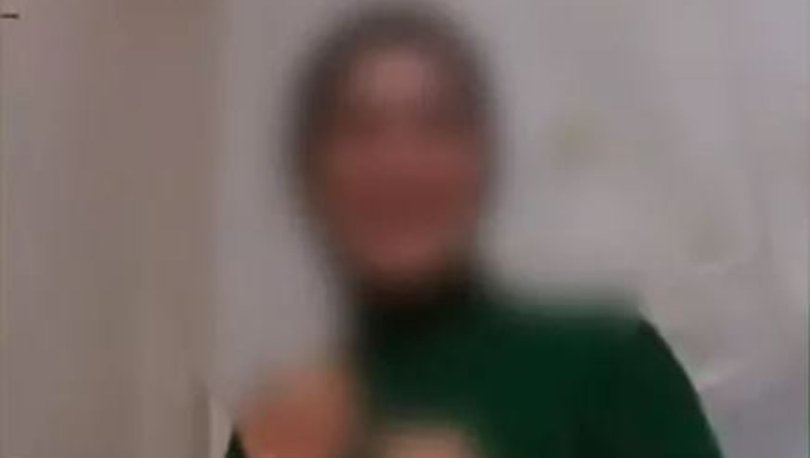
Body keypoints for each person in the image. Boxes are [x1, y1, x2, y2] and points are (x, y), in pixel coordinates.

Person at [227, 5, 722, 458]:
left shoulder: (609, 361)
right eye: (361, 128)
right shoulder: (290, 415)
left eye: (435, 126)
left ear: (484, 161)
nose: (399, 165)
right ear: (311, 173)